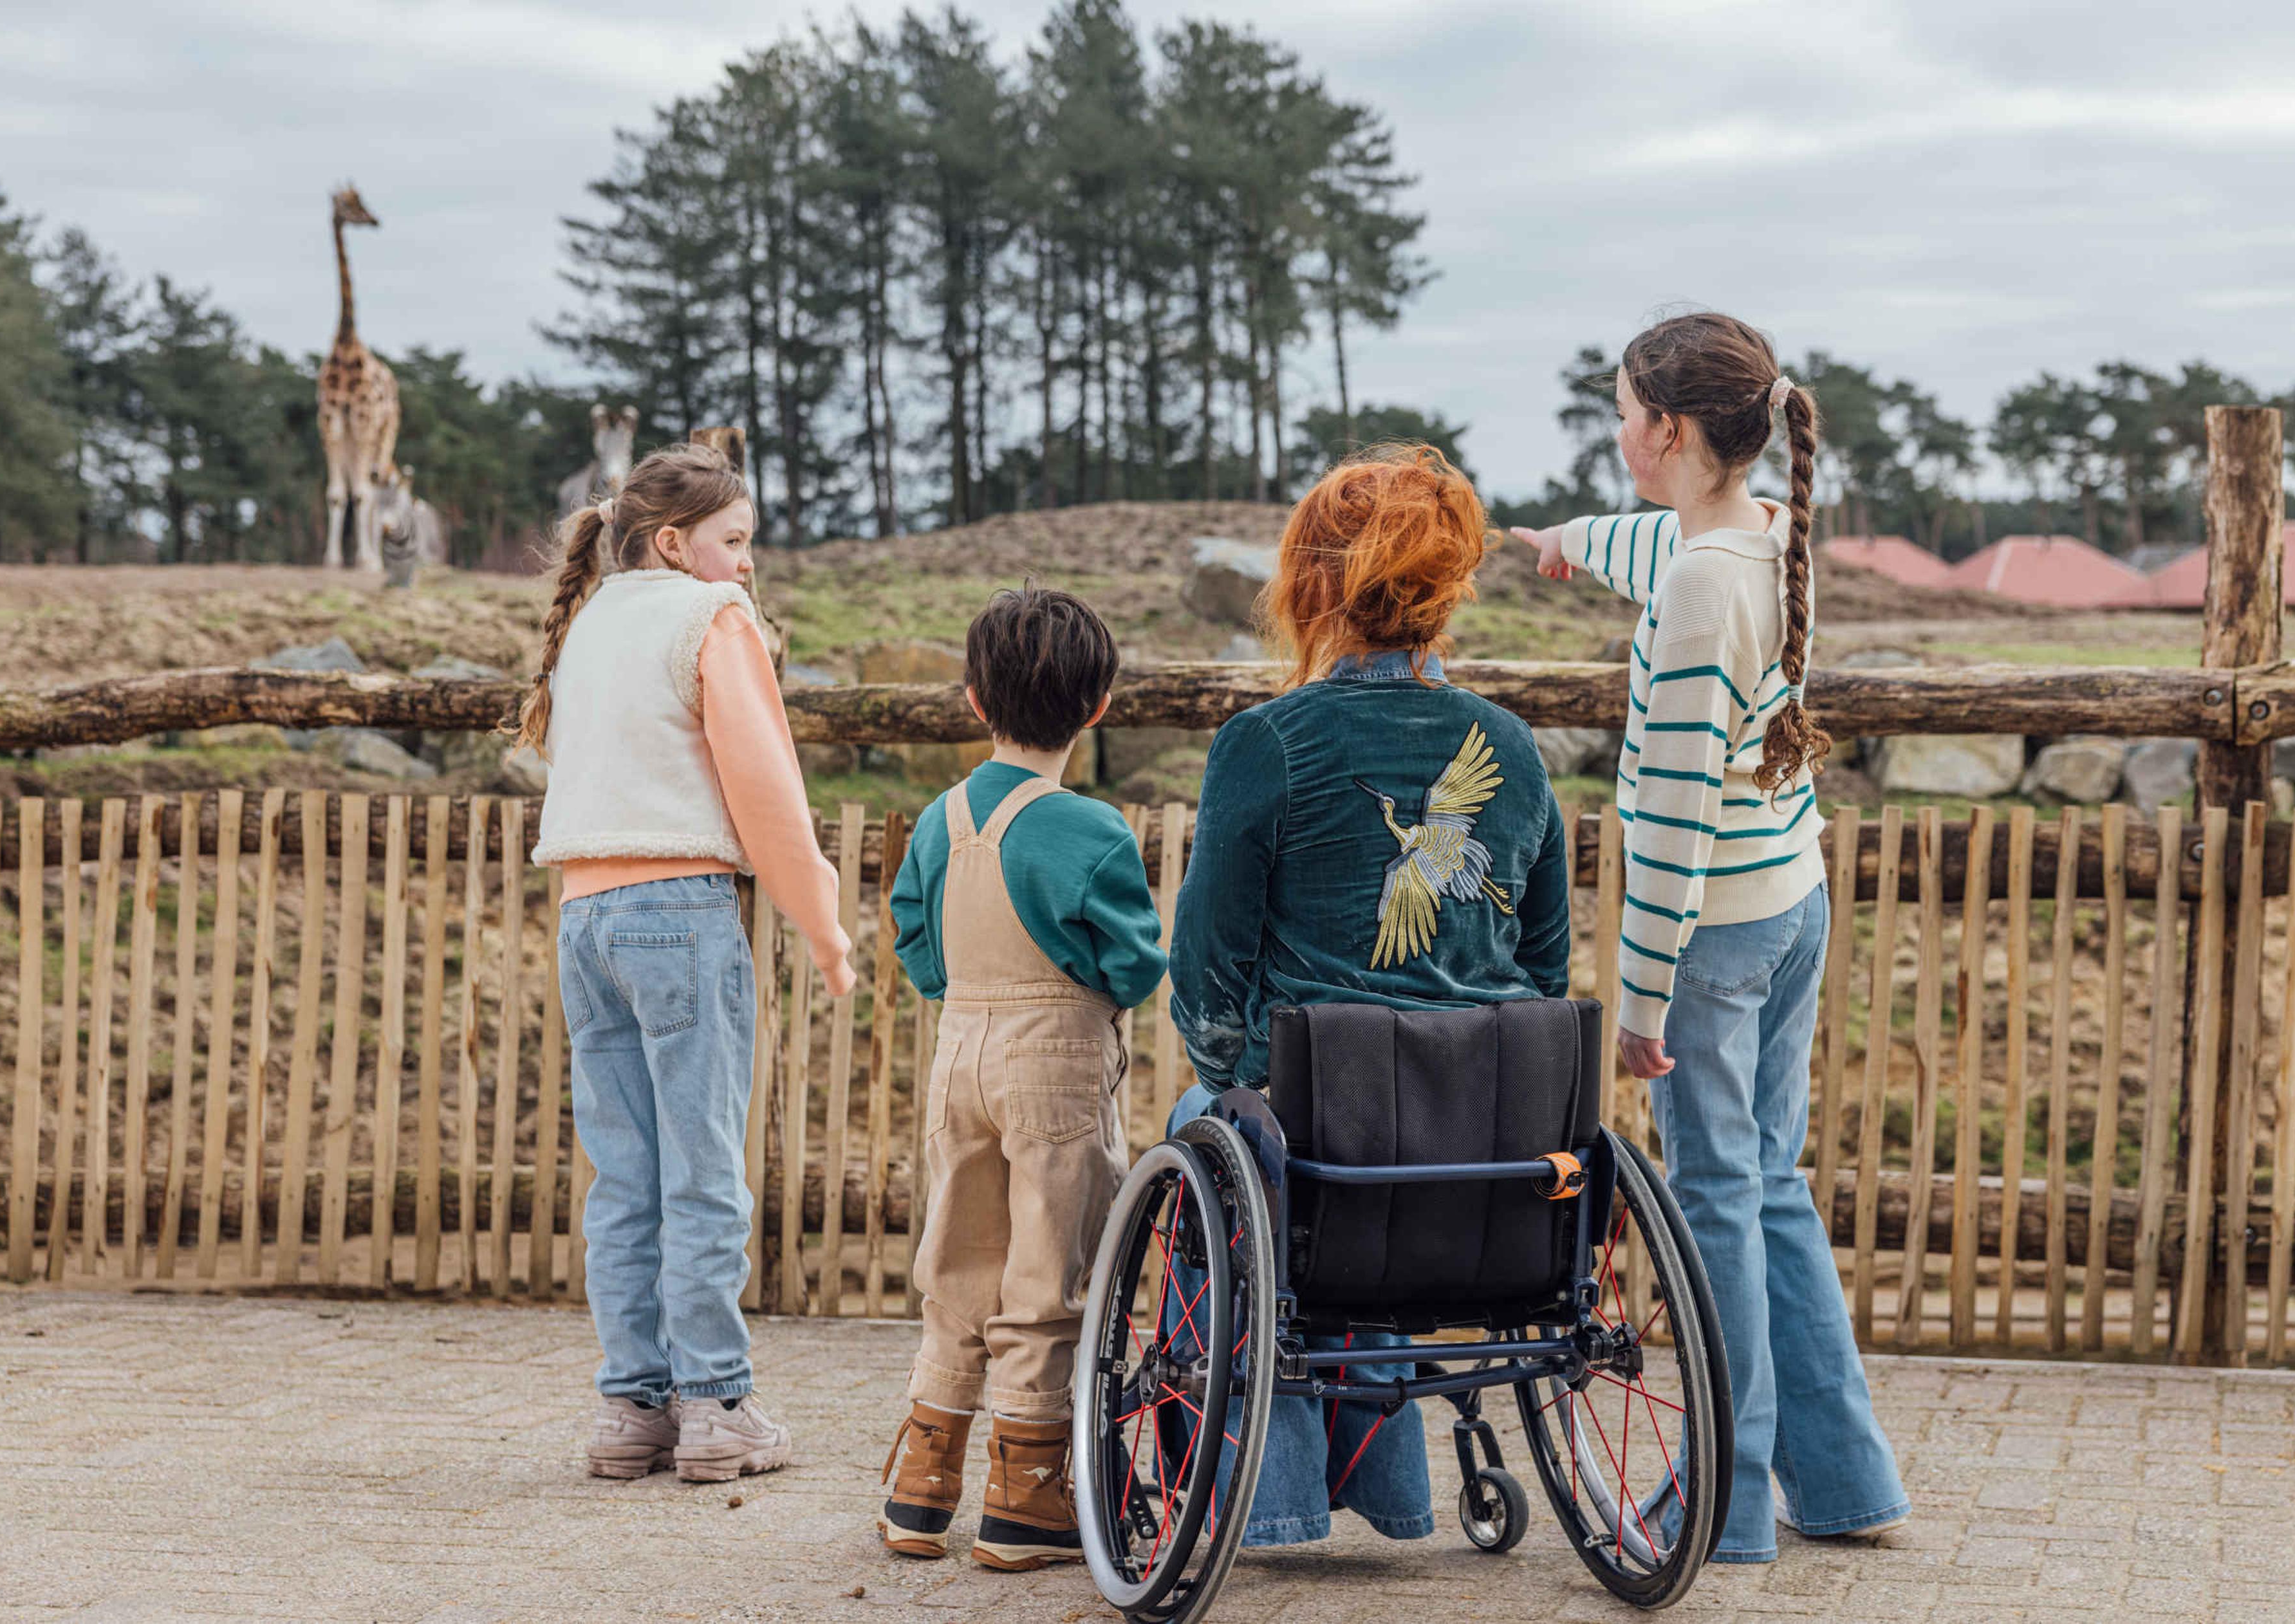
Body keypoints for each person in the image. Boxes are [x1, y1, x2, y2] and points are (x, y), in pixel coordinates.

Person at [1510, 311, 1909, 1561]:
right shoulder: (1759, 536)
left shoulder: (1701, 590)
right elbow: (1672, 547)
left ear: (1668, 429)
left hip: (1718, 941)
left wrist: (1639, 1002)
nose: (1616, 430)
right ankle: (1843, 1478)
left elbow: (1672, 811)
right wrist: (1567, 542)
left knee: (1719, 1206)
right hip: (1793, 901)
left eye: (1624, 412)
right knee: (1768, 1185)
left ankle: (1724, 1503)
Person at [1166, 445, 1575, 1547]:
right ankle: (1390, 1484)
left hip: (1322, 1142)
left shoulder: (1268, 743)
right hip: (1486, 1146)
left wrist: (1229, 1075)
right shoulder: (1513, 747)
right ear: (1447, 589)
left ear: (1311, 585)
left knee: (1207, 1134)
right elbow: (1545, 971)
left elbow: (1206, 966)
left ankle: (1273, 1492)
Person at [521, 442, 857, 1485]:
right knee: (704, 1166)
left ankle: (633, 1408)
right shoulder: (709, 619)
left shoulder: (590, 623)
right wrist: (822, 922)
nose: (748, 563)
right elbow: (766, 789)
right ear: (676, 543)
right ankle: (716, 1406)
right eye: (735, 540)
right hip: (679, 910)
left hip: (585, 916)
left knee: (626, 1175)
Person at [878, 588, 1167, 1570]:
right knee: (1051, 1268)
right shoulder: (1091, 832)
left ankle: (922, 1483)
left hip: (960, 1046)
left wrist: (958, 989)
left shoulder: (938, 816)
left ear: (971, 700)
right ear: (1100, 706)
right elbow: (1132, 963)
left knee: (958, 1258)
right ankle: (1026, 1491)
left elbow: (913, 934)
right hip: (1056, 1056)